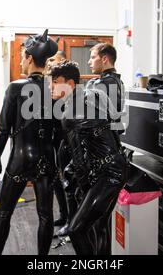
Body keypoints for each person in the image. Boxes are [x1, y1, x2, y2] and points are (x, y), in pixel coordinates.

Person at [0, 30, 58, 255]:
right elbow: (59, 131)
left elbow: (2, 130)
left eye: (22, 56)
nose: (20, 61)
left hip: (20, 157)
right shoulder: (54, 89)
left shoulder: (15, 88)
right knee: (46, 215)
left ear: (29, 58)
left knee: (4, 213)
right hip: (47, 159)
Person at [49, 61, 128, 255]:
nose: (50, 87)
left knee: (76, 229)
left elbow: (78, 154)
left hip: (108, 173)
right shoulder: (87, 97)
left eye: (55, 82)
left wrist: (80, 184)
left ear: (69, 83)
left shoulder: (75, 108)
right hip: (111, 169)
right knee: (98, 227)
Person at [85, 42, 126, 254]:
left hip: (106, 157)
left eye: (92, 57)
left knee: (99, 223)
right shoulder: (107, 82)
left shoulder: (106, 84)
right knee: (98, 222)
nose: (89, 61)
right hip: (106, 153)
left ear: (104, 59)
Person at [46, 52, 76, 237]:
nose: (49, 63)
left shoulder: (68, 89)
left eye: (53, 60)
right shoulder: (52, 86)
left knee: (68, 180)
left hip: (67, 140)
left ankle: (72, 222)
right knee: (57, 179)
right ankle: (64, 215)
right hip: (56, 137)